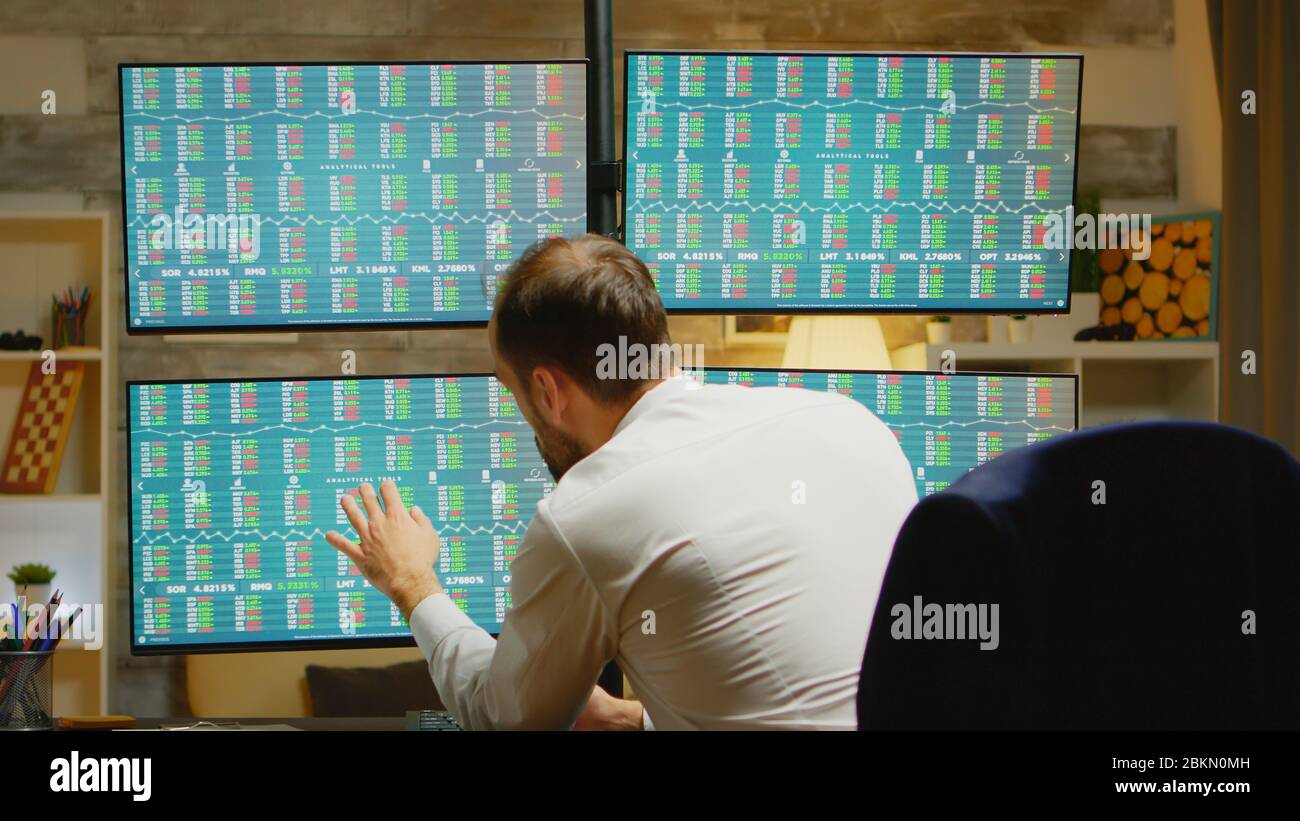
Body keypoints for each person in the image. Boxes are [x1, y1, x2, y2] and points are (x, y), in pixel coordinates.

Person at [326, 234, 918, 729]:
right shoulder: (851, 422)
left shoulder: (587, 514)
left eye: (515, 394)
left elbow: (503, 717)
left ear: (548, 392)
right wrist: (640, 719)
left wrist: (411, 582)